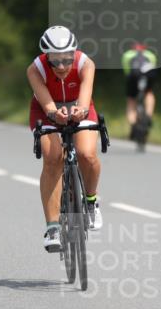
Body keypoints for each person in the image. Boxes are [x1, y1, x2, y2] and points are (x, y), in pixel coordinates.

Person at [26, 25, 103, 252]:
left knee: (86, 154)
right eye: (55, 61)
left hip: (80, 108)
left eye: (66, 60)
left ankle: (91, 201)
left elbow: (85, 95)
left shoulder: (85, 64)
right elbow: (46, 102)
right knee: (52, 158)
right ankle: (52, 227)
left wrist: (78, 110)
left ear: (74, 54)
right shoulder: (35, 69)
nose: (61, 66)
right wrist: (53, 113)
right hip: (46, 111)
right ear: (46, 57)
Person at [121, 42, 159, 133]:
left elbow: (126, 71)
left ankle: (133, 124)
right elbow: (153, 66)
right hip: (149, 76)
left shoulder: (127, 55)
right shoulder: (150, 55)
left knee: (131, 100)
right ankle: (148, 116)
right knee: (149, 92)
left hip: (133, 76)